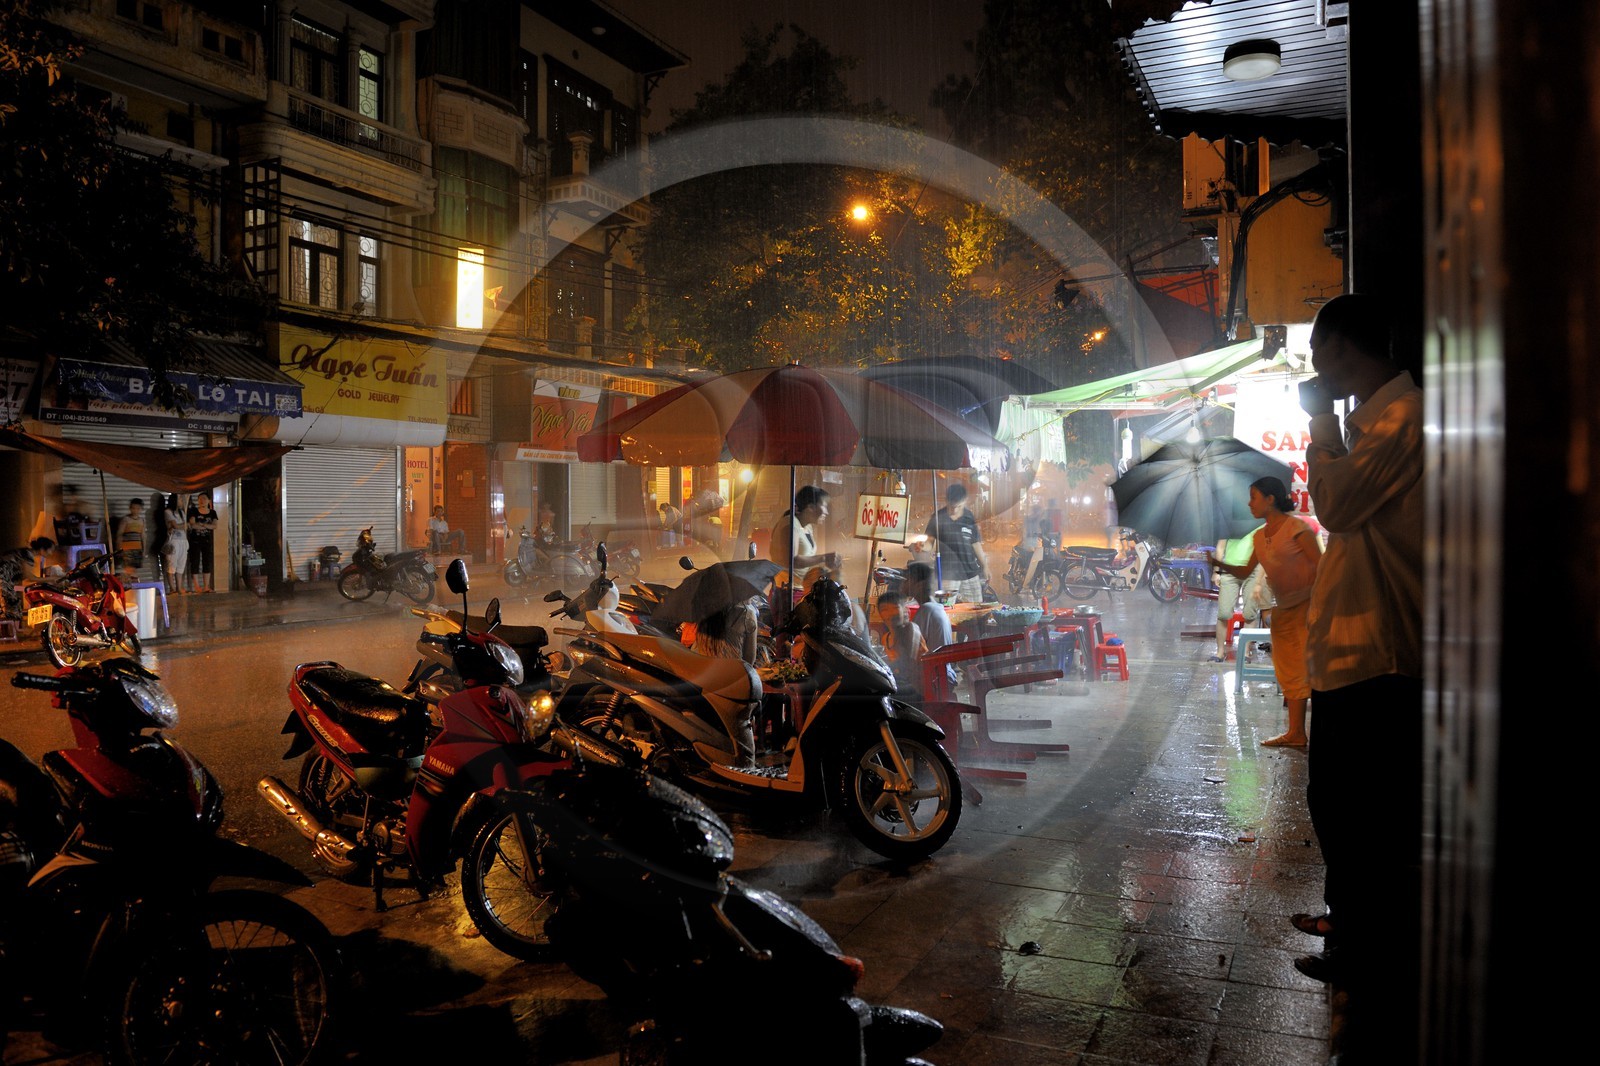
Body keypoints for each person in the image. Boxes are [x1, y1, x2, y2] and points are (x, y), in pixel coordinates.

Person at [1292, 293, 1425, 1061]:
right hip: (1352, 657)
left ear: (1342, 349)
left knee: (1359, 814)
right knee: (1338, 806)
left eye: (1318, 353)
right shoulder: (1377, 421)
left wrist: (1318, 424)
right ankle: (1352, 937)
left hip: (1380, 656)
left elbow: (1337, 506)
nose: (1315, 370)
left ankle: (1367, 960)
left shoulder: (1404, 417)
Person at [1208, 478, 1321, 746]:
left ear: (1271, 499)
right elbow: (1245, 571)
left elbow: (1323, 566)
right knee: (1289, 669)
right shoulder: (1260, 536)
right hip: (1284, 610)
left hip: (1309, 608)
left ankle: (1306, 732)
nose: (1249, 503)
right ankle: (1296, 732)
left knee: (1310, 668)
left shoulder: (1298, 529)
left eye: (1254, 496)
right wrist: (1215, 563)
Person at [1209, 524, 1267, 662]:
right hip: (1230, 570)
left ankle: (1245, 653)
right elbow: (1220, 547)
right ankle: (1220, 652)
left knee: (1250, 613)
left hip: (1253, 572)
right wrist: (1216, 572)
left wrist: (1260, 581)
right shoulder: (1229, 521)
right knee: (1223, 613)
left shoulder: (1262, 522)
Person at [924, 482, 988, 603]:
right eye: (951, 506)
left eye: (958, 506)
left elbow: (975, 544)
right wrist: (923, 546)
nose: (954, 510)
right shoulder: (938, 518)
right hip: (947, 574)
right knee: (945, 610)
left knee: (975, 610)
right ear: (946, 501)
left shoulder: (969, 517)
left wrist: (985, 566)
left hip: (970, 572)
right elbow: (929, 543)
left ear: (965, 501)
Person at [875, 591, 926, 699]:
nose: (890, 613)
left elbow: (905, 663)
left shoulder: (912, 629)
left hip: (919, 687)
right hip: (902, 683)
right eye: (884, 609)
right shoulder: (885, 638)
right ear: (880, 615)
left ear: (906, 611)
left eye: (895, 607)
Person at [186, 492, 218, 593]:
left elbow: (214, 526)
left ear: (209, 501)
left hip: (207, 540)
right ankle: (196, 586)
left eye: (204, 498)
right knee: (195, 562)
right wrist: (206, 525)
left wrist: (202, 525)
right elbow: (192, 525)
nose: (202, 500)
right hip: (195, 540)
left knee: (206, 562)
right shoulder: (193, 511)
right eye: (199, 499)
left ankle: (206, 586)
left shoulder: (212, 512)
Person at [160, 494, 188, 595]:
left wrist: (184, 526)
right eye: (180, 498)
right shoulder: (168, 512)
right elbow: (176, 525)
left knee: (181, 565)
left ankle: (179, 588)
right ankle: (172, 588)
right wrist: (185, 525)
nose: (181, 500)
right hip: (173, 541)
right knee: (171, 565)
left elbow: (184, 526)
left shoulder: (182, 512)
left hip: (183, 540)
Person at [114, 498, 146, 576]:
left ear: (141, 509)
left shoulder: (142, 520)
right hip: (127, 549)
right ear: (130, 508)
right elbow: (119, 534)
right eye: (133, 508)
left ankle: (133, 585)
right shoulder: (126, 519)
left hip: (137, 548)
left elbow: (143, 536)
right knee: (128, 569)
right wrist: (119, 548)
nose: (135, 510)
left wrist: (144, 549)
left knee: (134, 570)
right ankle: (129, 586)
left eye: (138, 508)